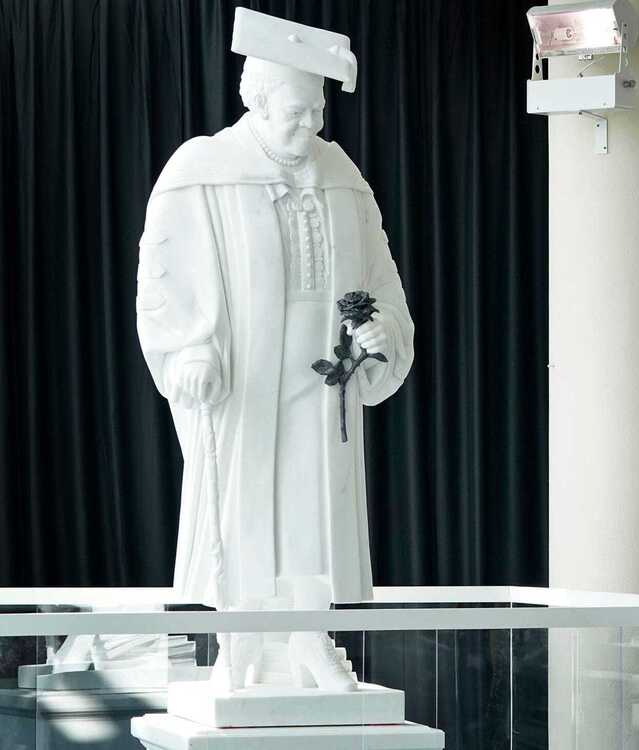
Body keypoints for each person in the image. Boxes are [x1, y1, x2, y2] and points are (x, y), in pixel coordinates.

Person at [136, 9, 415, 690]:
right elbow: (164, 279)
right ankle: (245, 642)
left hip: (322, 377)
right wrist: (191, 351)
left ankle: (309, 636)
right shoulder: (202, 169)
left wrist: (379, 337)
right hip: (245, 376)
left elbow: (378, 276)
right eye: (295, 110)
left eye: (317, 109)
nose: (309, 125)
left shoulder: (341, 174)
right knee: (247, 502)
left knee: (314, 505)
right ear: (254, 100)